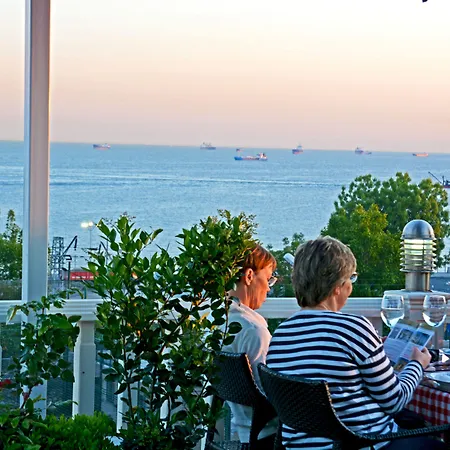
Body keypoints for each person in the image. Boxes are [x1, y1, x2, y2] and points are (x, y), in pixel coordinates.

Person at [266, 236, 444, 450]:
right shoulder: (353, 328)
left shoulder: (281, 334)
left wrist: (373, 348)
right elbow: (395, 401)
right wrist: (417, 364)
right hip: (361, 444)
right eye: (351, 278)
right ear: (337, 286)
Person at [223, 244, 278, 447]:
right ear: (249, 276)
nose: (269, 287)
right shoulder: (253, 331)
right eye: (268, 278)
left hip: (244, 430)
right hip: (269, 436)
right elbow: (268, 392)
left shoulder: (219, 323)